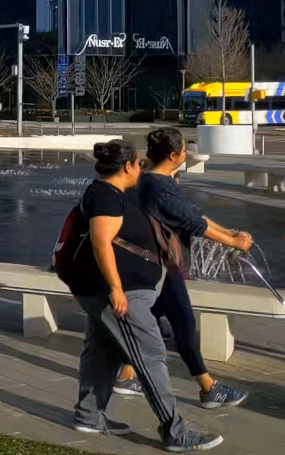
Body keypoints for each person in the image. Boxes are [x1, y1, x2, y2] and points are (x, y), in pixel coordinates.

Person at [66, 140, 221, 451]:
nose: (142, 167)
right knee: (150, 358)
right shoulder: (105, 196)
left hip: (110, 292)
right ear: (127, 167)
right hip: (119, 294)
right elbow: (101, 243)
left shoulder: (112, 193)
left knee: (102, 352)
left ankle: (88, 416)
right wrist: (116, 289)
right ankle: (176, 434)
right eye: (138, 164)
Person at [113, 128, 251, 408]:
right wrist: (232, 239)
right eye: (185, 150)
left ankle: (126, 375)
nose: (187, 154)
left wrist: (231, 234)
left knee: (149, 317)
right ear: (174, 155)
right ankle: (207, 387)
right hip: (161, 266)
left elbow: (192, 215)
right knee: (184, 324)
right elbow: (195, 223)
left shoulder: (150, 179)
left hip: (151, 265)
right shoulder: (158, 186)